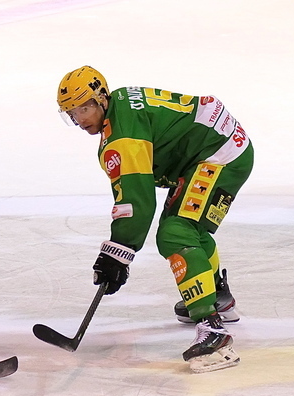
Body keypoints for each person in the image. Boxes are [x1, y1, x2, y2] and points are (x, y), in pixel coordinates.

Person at [56, 66, 252, 373]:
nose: (80, 119)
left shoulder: (123, 138)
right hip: (213, 147)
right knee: (188, 226)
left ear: (102, 98)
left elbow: (136, 203)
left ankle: (212, 329)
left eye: (85, 108)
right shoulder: (120, 107)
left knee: (176, 232)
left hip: (218, 155)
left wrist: (116, 254)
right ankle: (216, 295)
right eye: (72, 113)